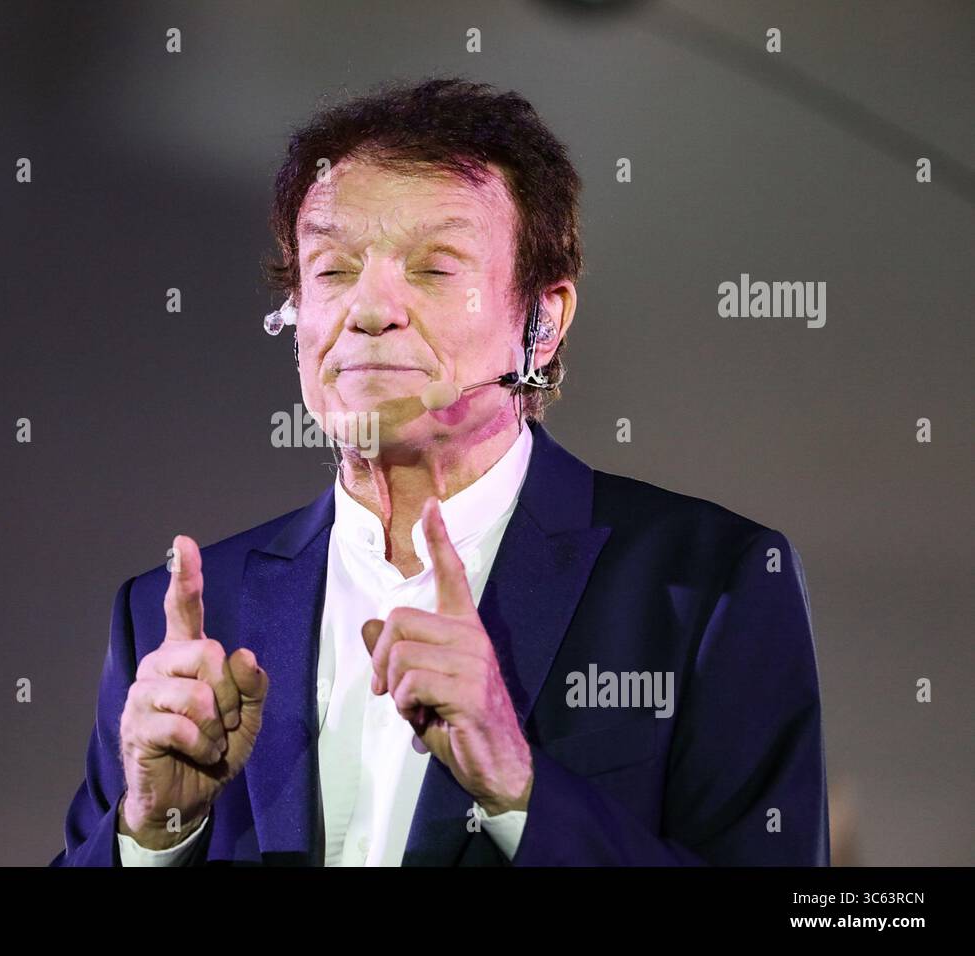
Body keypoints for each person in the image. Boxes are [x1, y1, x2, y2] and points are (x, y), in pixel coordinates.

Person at [50, 77, 830, 866]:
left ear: (542, 322)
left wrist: (519, 790)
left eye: (432, 267)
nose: (369, 308)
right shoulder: (175, 616)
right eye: (331, 268)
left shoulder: (709, 585)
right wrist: (151, 837)